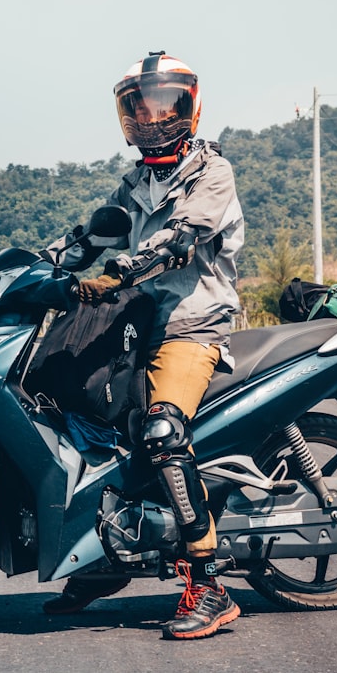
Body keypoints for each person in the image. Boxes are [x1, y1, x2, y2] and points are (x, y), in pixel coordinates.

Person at [42, 51, 245, 640]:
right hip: (138, 324)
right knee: (75, 410)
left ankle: (208, 583)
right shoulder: (136, 183)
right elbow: (91, 238)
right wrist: (38, 265)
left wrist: (122, 272)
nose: (152, 120)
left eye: (164, 106)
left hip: (192, 326)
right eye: (140, 108)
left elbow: (181, 238)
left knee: (160, 431)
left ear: (190, 108)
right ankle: (106, 556)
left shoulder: (212, 174)